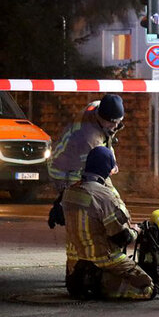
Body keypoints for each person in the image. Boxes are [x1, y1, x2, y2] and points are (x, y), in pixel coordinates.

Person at [63, 146, 154, 300]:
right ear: (106, 168)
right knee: (147, 289)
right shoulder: (104, 196)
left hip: (76, 261)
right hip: (104, 259)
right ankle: (99, 284)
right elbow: (120, 237)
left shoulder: (70, 191)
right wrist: (137, 230)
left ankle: (84, 280)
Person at [47, 94, 125, 228]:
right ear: (101, 117)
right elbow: (101, 170)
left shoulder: (96, 107)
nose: (116, 126)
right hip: (64, 171)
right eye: (112, 122)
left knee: (98, 199)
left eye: (119, 121)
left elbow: (106, 141)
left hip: (72, 160)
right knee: (103, 199)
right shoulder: (89, 139)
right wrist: (112, 166)